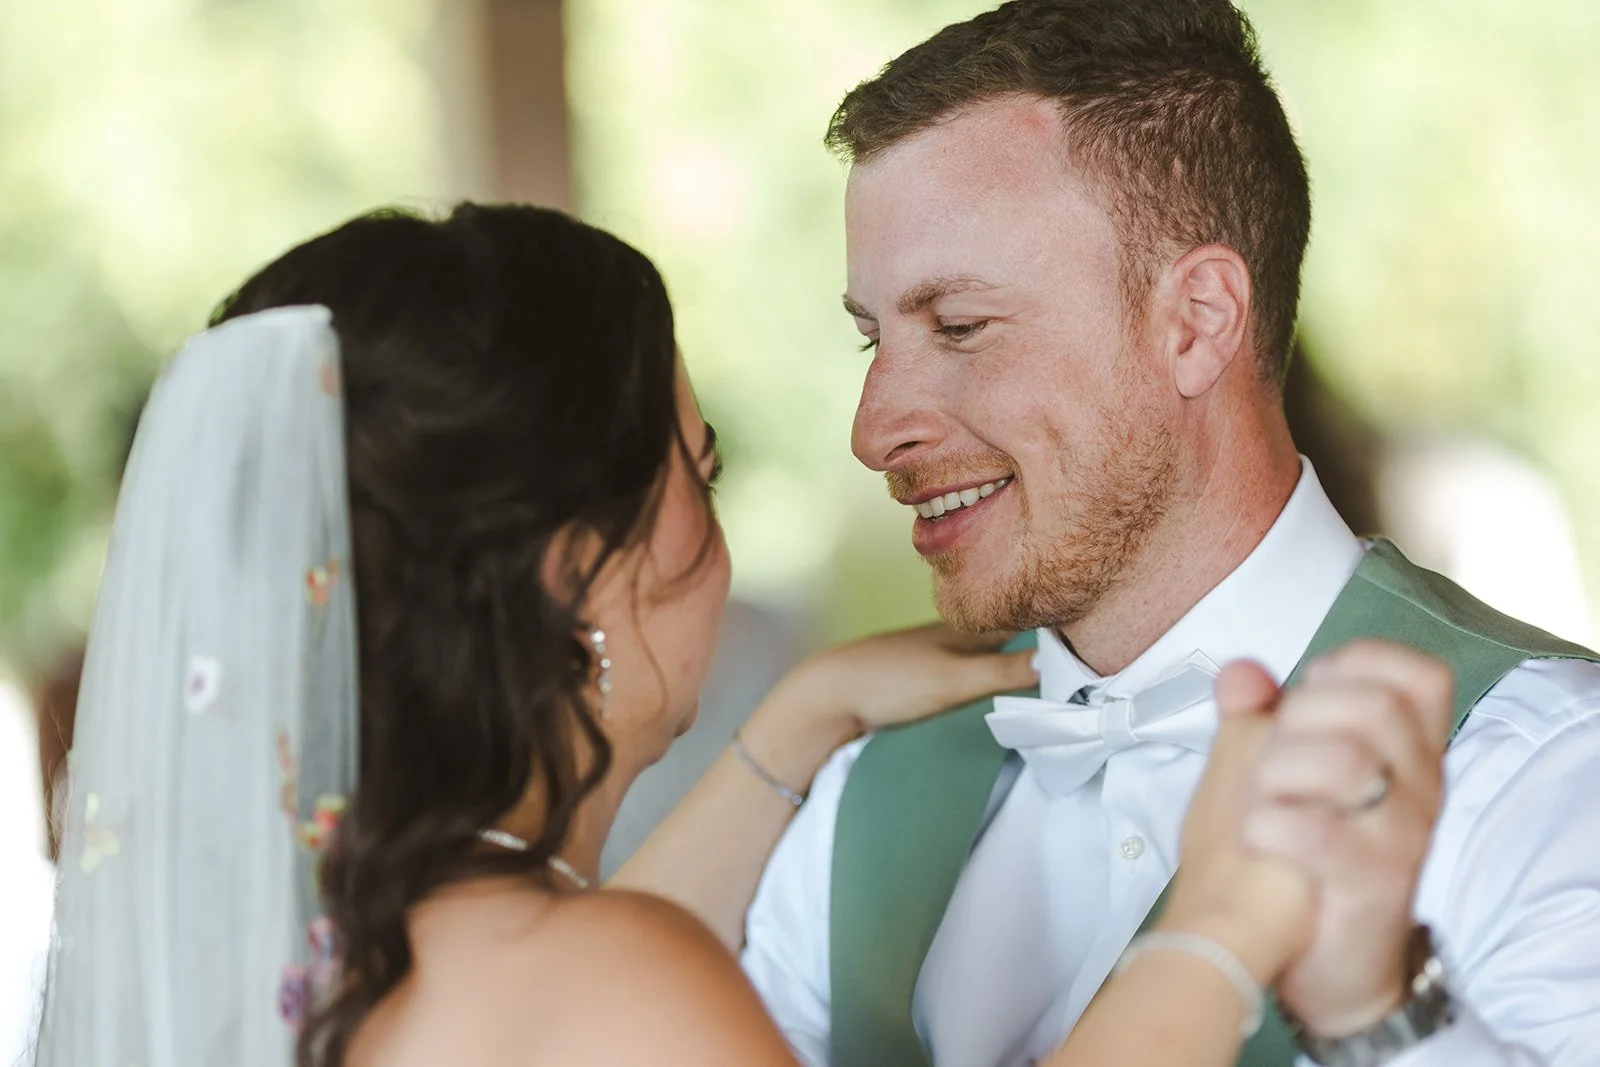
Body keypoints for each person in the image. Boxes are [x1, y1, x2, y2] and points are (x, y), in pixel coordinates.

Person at [26, 203, 1456, 1067]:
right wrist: (1219, 926)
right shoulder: (601, 979)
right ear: (583, 571)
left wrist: (797, 719)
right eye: (695, 476)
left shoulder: (317, 956)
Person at [740, 2, 1600, 1065]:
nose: (874, 432)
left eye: (959, 327)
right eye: (871, 338)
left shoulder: (1544, 775)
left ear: (1196, 320)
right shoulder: (862, 791)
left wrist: (1382, 1014)